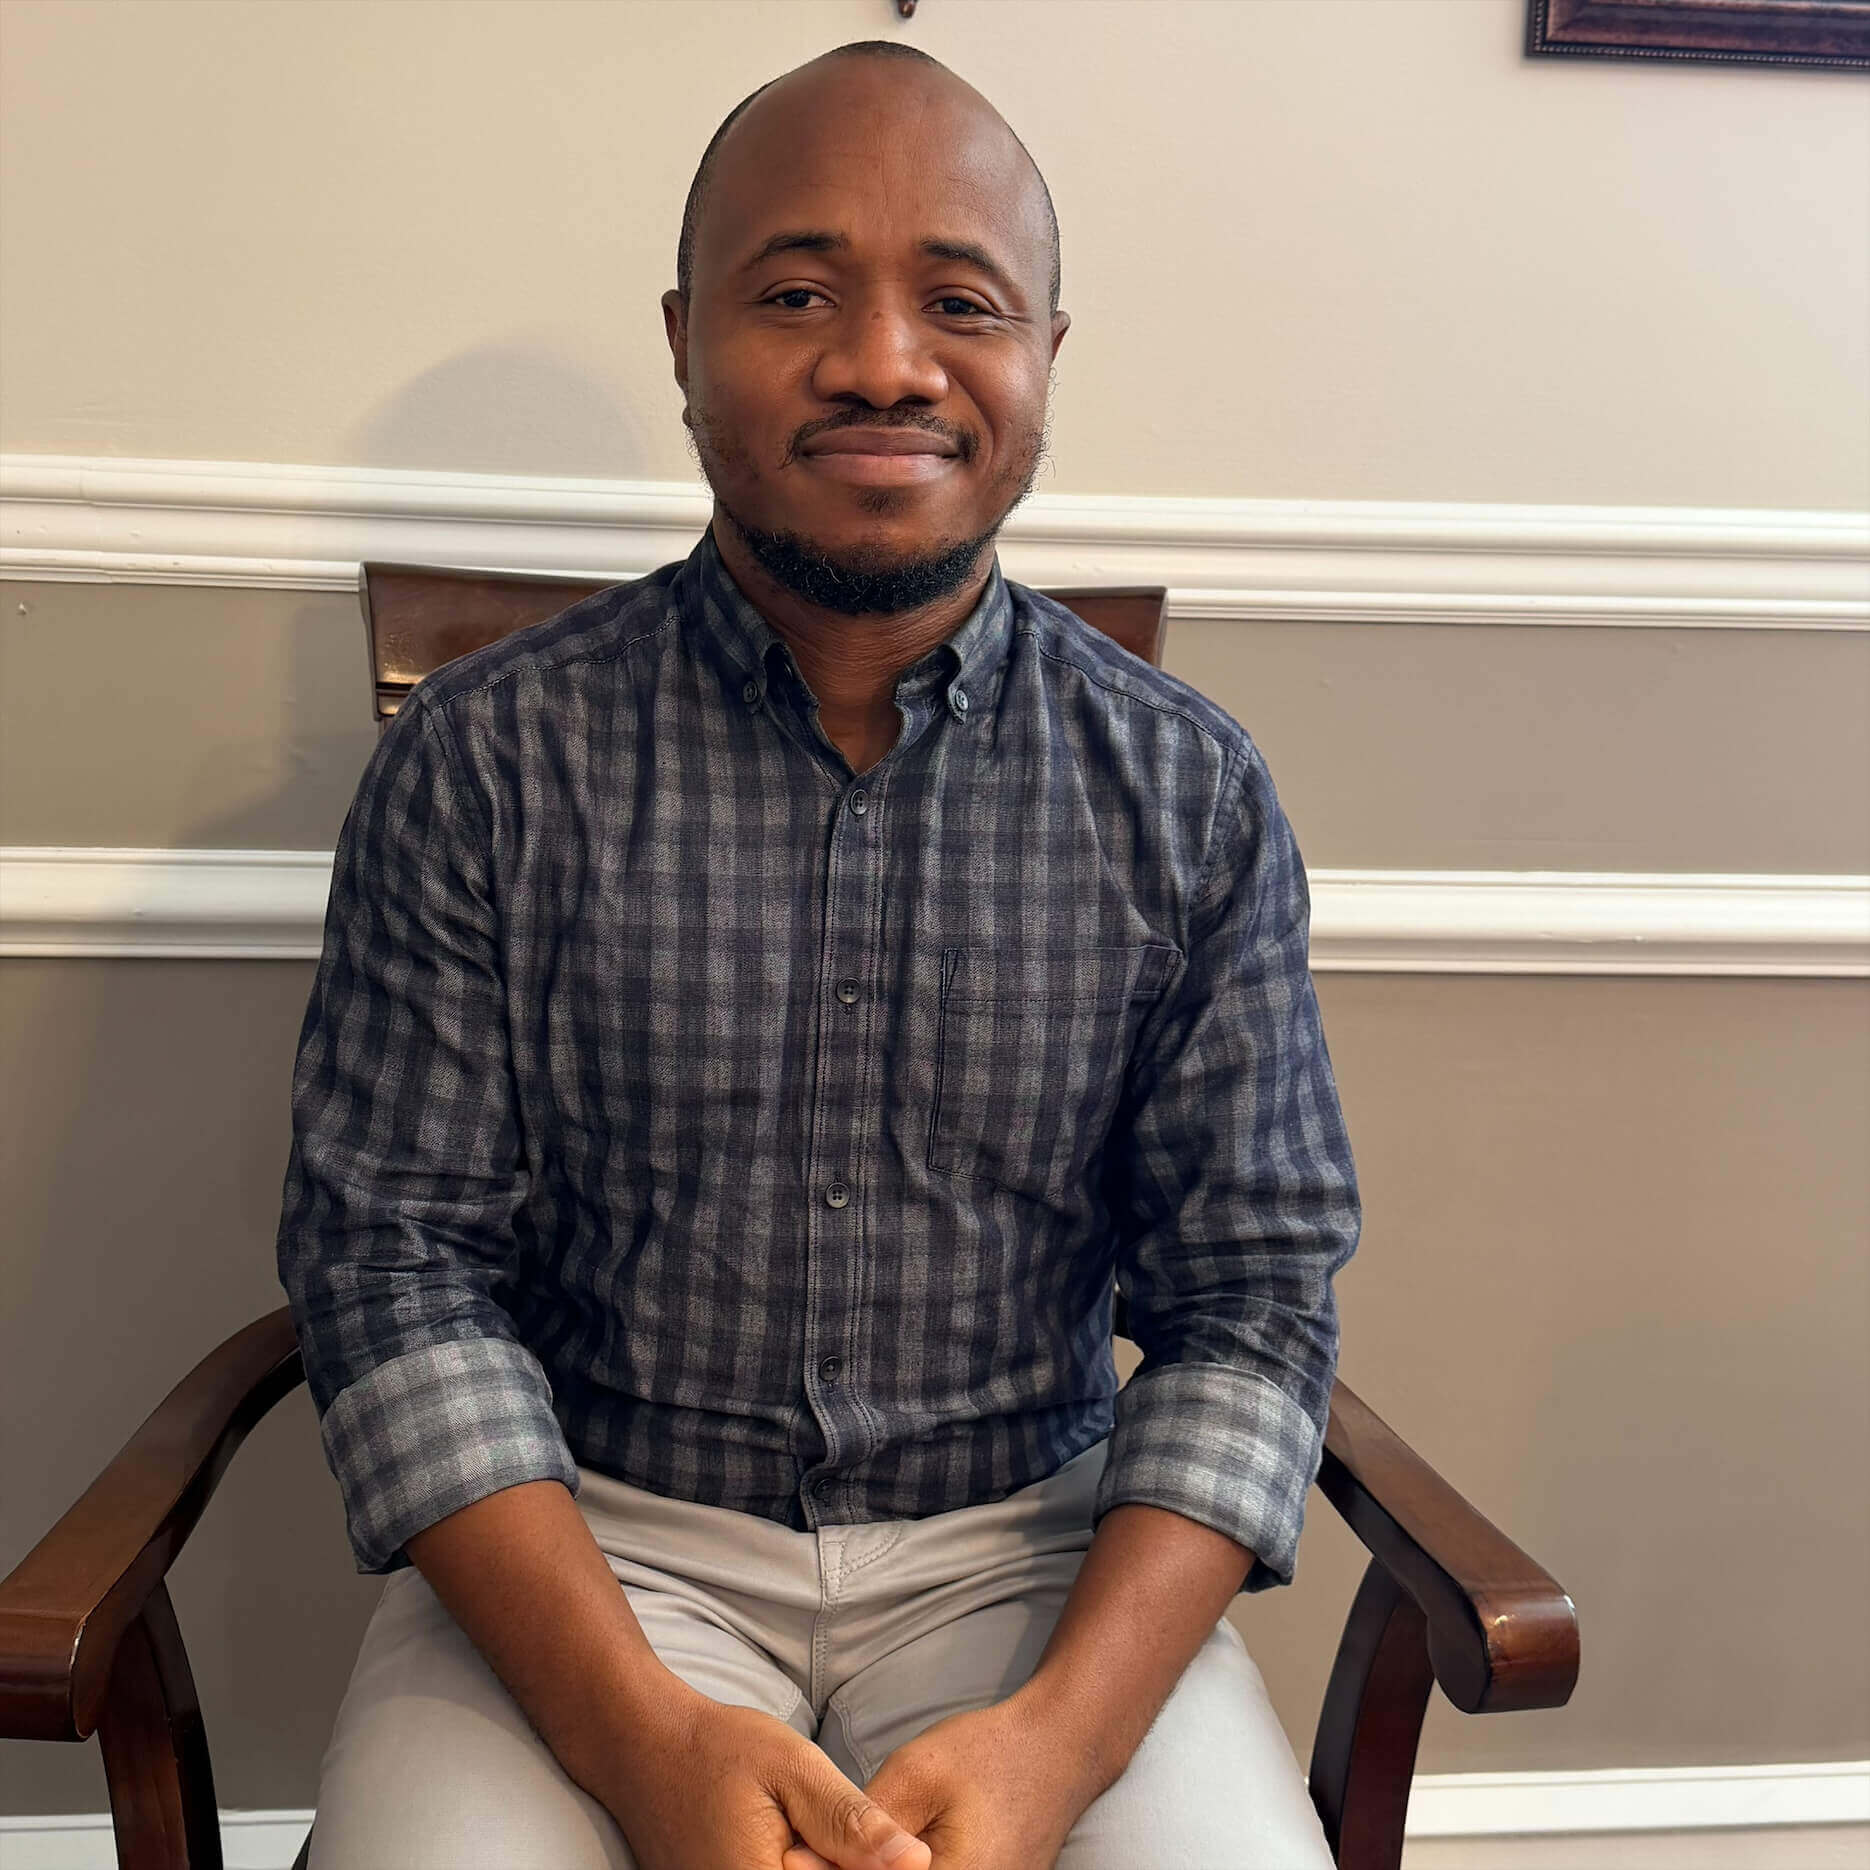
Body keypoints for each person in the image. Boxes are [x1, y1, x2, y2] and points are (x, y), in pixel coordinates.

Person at [278, 38, 1358, 1870]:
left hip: (1033, 1550)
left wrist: (1057, 1746)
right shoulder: (480, 762)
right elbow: (393, 1273)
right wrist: (636, 1741)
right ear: (689, 338)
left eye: (959, 300)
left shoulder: (1187, 793)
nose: (880, 360)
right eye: (796, 294)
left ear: (1041, 361)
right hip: (597, 1542)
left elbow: (1249, 1302)